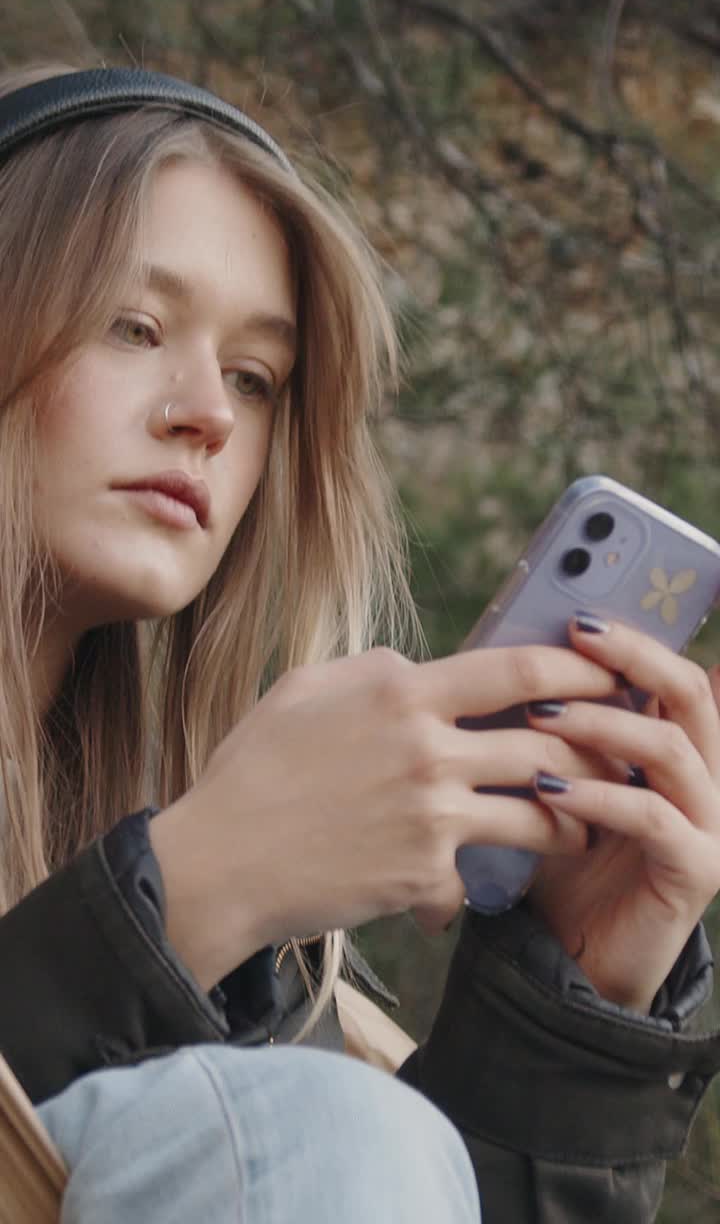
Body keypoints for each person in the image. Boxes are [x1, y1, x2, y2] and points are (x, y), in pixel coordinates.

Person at [0, 60, 719, 1224]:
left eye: (256, 374)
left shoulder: (278, 981)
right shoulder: (229, 919)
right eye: (134, 325)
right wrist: (192, 888)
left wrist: (563, 1003)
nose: (210, 413)